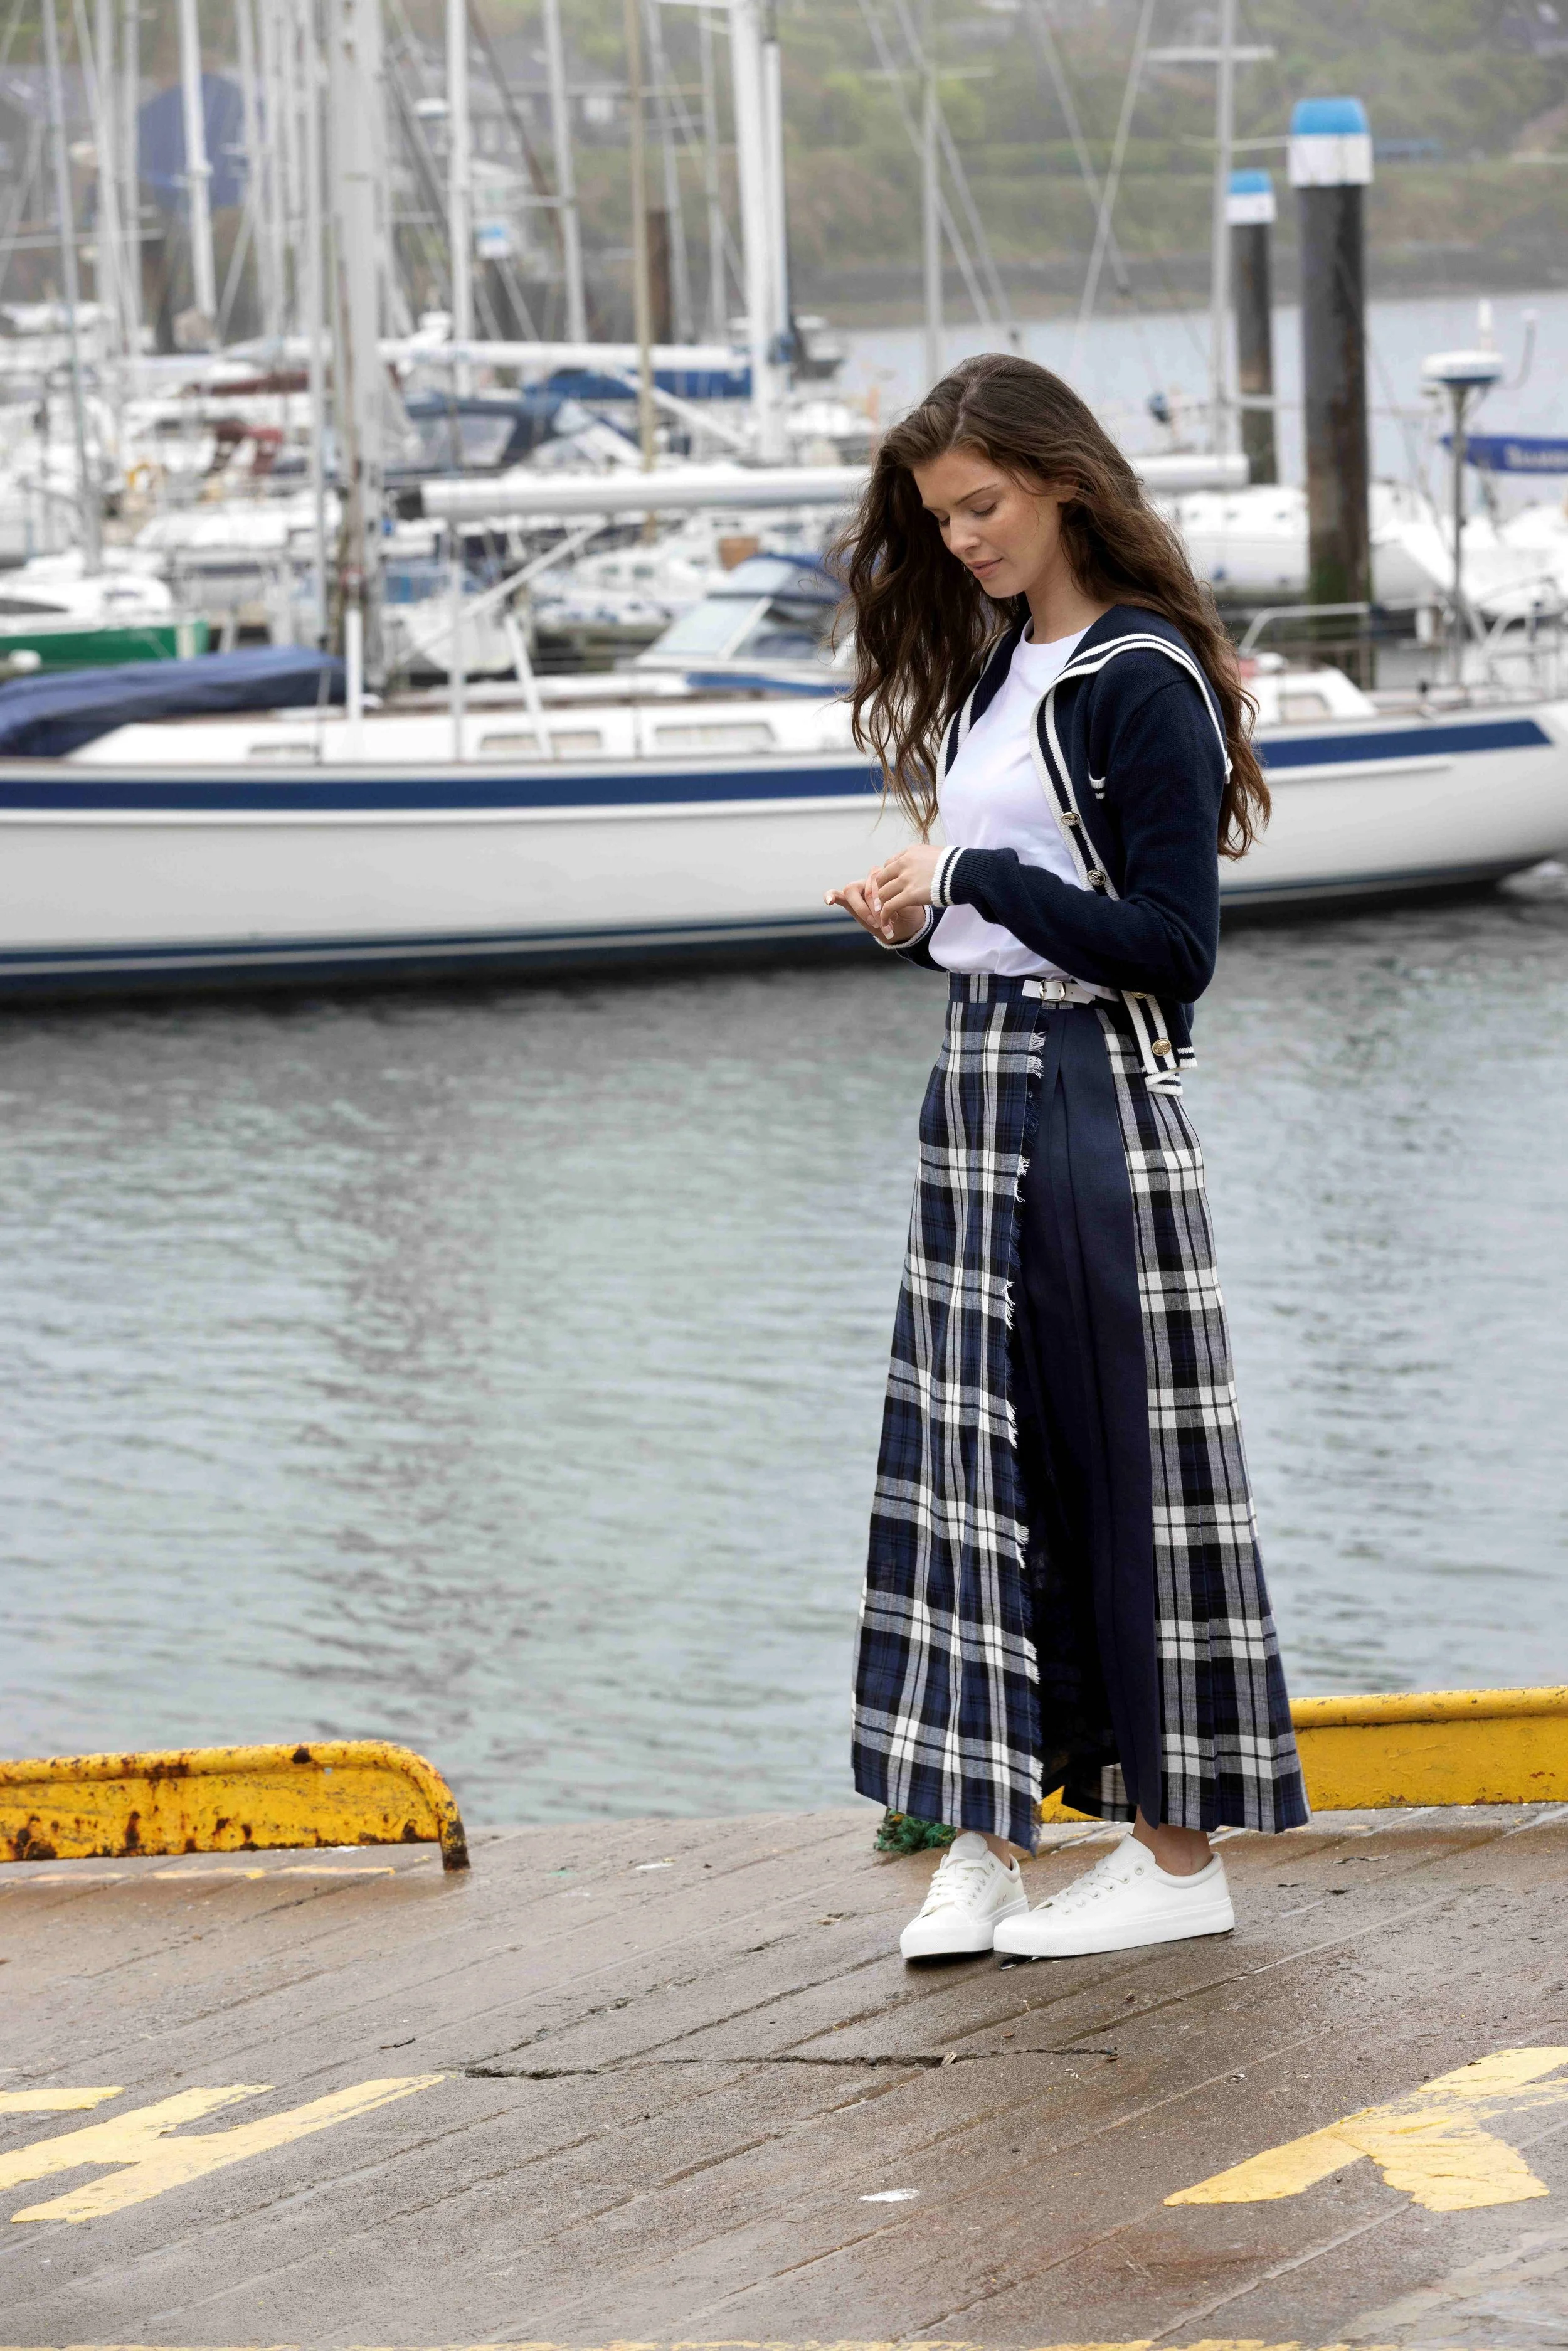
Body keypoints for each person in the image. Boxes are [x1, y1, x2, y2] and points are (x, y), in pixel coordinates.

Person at [825, 354, 1306, 1964]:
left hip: (1095, 1095)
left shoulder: (1139, 676)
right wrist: (919, 917)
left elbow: (1171, 948)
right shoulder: (986, 677)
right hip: (975, 1088)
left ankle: (1176, 1862)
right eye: (938, 516)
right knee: (969, 1474)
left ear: (1063, 484)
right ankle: (982, 1836)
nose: (958, 538)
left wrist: (974, 872)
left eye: (981, 505)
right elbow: (1000, 916)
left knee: (1119, 1468)